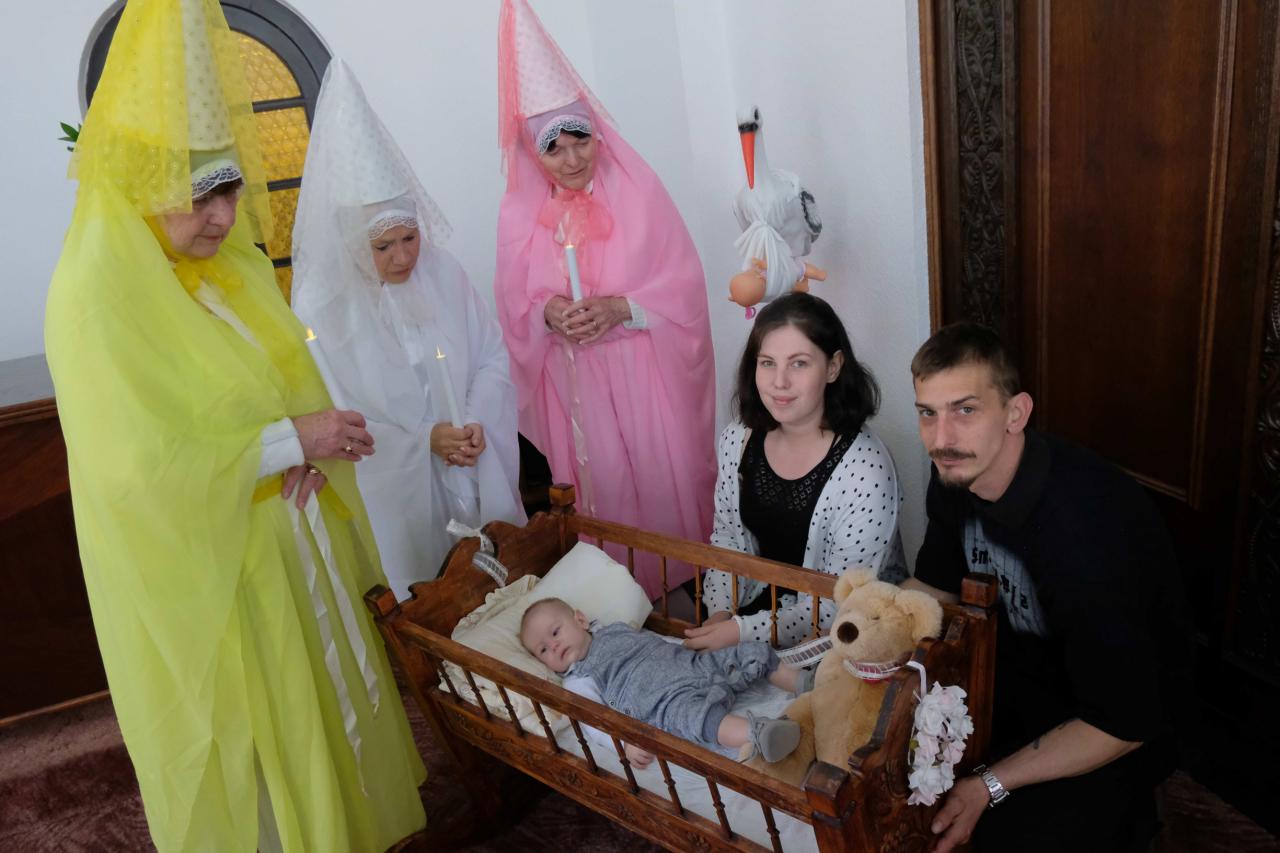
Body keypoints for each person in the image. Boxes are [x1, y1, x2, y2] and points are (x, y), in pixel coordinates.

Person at [44, 2, 425, 849]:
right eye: (199, 195)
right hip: (218, 579)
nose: (221, 216)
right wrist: (295, 440)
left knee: (320, 724)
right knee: (259, 748)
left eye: (230, 189)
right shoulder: (94, 297)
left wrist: (308, 443)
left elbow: (268, 390)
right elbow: (134, 465)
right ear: (144, 185)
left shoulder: (228, 272)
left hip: (286, 550)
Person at [903, 322, 1189, 852]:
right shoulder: (956, 473)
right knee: (898, 788)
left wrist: (987, 786)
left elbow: (1124, 720)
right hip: (1013, 684)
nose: (941, 439)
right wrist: (851, 641)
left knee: (997, 836)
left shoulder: (1086, 533)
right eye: (928, 413)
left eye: (965, 410)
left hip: (1113, 725)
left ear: (1016, 413)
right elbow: (934, 586)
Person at [493, 0, 717, 600]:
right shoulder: (519, 216)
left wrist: (620, 308)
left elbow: (685, 288)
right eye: (554, 149)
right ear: (532, 153)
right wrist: (549, 313)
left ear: (597, 134)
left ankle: (682, 593)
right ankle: (615, 601)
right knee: (605, 489)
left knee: (658, 476)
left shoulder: (641, 194)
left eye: (581, 141)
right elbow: (514, 305)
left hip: (645, 371)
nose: (572, 160)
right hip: (578, 384)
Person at [291, 60, 525, 598]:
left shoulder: (444, 273)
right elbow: (335, 408)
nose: (403, 257)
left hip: (469, 458)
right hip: (395, 490)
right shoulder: (324, 307)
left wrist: (473, 420)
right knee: (418, 591)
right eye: (382, 246)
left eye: (410, 237)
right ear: (352, 243)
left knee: (489, 588)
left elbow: (490, 354)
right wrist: (424, 442)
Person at [686, 293, 908, 652]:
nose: (779, 382)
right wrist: (720, 614)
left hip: (852, 633)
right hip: (756, 613)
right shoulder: (738, 439)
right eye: (767, 363)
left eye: (799, 363)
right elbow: (728, 539)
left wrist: (741, 632)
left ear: (833, 367)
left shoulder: (866, 471)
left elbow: (841, 600)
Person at [520, 598, 812, 767]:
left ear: (580, 620)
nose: (553, 646)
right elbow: (594, 722)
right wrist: (623, 744)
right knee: (700, 719)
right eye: (543, 650)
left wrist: (683, 649)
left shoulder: (615, 629)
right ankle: (760, 733)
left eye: (555, 633)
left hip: (690, 664)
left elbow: (654, 643)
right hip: (667, 702)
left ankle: (803, 682)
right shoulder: (578, 681)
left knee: (748, 653)